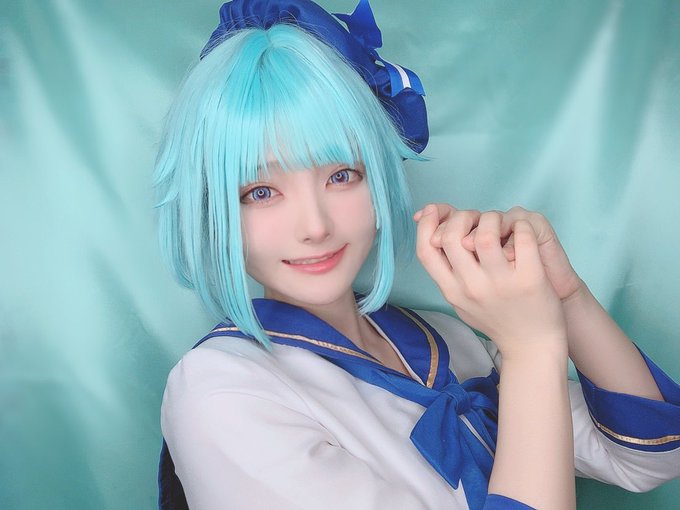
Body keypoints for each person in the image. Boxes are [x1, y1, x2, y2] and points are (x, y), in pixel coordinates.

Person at [154, 1, 680, 508]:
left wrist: (566, 296)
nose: (315, 226)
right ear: (211, 208)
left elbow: (649, 458)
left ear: (380, 181)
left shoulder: (448, 341)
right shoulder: (222, 392)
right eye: (261, 192)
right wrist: (531, 349)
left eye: (342, 175)